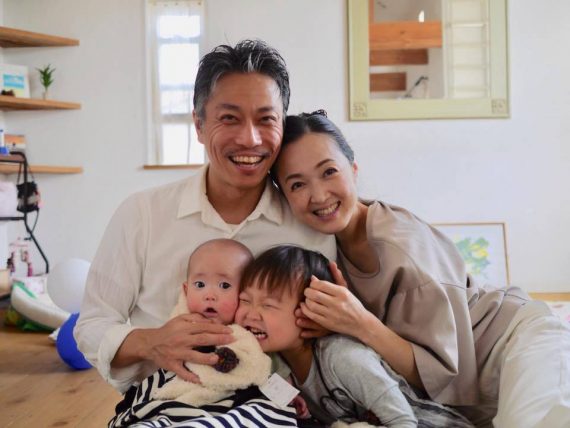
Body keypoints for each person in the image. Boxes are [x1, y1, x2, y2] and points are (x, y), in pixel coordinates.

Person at [270, 110, 570, 428]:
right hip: (472, 397)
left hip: (515, 343)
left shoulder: (400, 246)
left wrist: (358, 323)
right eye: (297, 184)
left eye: (329, 171)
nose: (318, 195)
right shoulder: (321, 245)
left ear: (353, 170)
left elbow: (441, 371)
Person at [74, 41, 335, 394]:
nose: (250, 139)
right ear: (198, 125)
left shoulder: (308, 225)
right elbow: (92, 324)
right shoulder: (143, 214)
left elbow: (326, 340)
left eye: (266, 119)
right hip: (163, 406)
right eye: (229, 118)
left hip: (278, 411)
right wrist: (152, 342)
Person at [236, 245, 474, 427]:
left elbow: (403, 420)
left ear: (313, 310)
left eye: (268, 305)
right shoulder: (274, 364)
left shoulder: (343, 357)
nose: (250, 314)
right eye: (245, 300)